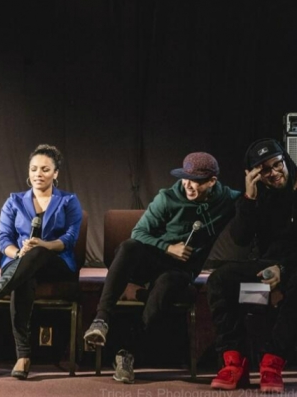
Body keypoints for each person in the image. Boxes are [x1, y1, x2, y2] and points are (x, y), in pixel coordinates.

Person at [83, 152, 241, 384]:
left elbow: (250, 200)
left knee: (166, 285)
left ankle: (127, 353)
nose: (187, 185)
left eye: (195, 180)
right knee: (128, 247)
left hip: (180, 271)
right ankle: (101, 319)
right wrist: (168, 247)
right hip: (154, 260)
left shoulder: (226, 199)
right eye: (184, 178)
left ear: (212, 181)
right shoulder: (167, 198)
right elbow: (138, 233)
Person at [207, 138, 297, 393]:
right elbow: (240, 238)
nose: (274, 173)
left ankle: (272, 364)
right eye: (265, 170)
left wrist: (282, 270)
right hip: (268, 268)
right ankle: (234, 361)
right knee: (219, 279)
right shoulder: (260, 197)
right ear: (254, 174)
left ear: (285, 160)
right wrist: (249, 197)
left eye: (277, 165)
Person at [0, 144, 83, 380]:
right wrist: (18, 253)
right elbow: (3, 239)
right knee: (23, 278)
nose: (39, 173)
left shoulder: (69, 201)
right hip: (20, 261)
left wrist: (43, 245)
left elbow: (69, 239)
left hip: (55, 262)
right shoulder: (13, 201)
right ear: (28, 172)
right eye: (34, 169)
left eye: (45, 169)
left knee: (36, 254)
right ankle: (23, 356)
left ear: (56, 173)